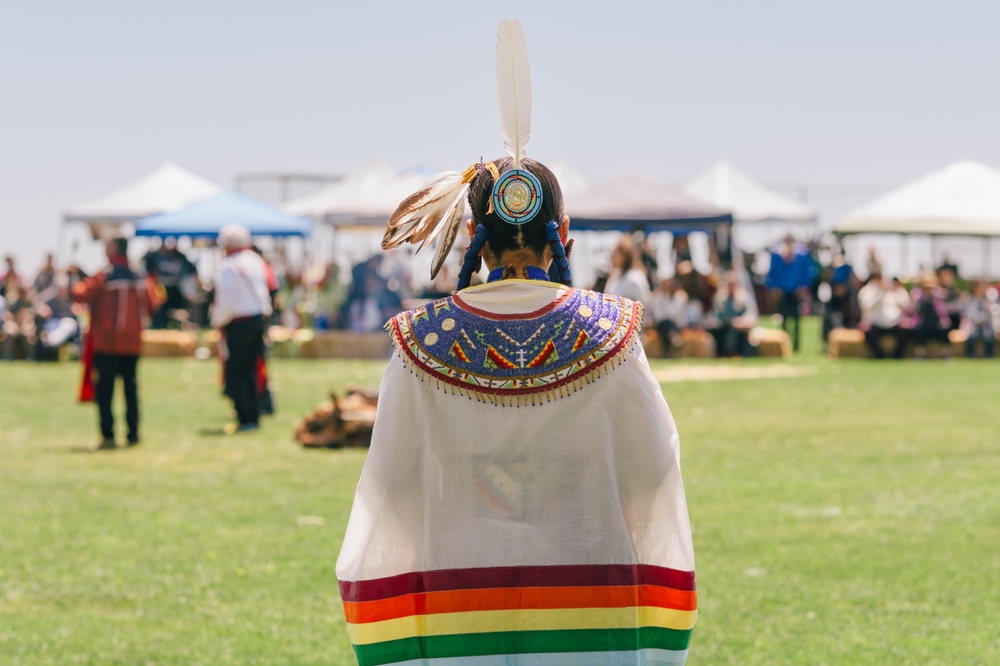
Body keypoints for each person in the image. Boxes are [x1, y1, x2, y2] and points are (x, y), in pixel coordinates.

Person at [337, 21, 696, 666]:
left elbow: (390, 487)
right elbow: (651, 475)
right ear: (564, 234)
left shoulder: (420, 340)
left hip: (458, 619)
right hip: (588, 619)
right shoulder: (611, 333)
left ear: (474, 234)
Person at [71, 238, 159, 450]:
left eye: (108, 244)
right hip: (132, 344)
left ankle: (108, 436)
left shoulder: (106, 275)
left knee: (106, 391)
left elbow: (81, 294)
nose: (104, 247)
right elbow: (154, 303)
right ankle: (133, 434)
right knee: (131, 389)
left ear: (115, 248)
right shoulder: (139, 275)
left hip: (108, 343)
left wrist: (74, 277)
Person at [212, 224, 273, 433]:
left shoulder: (228, 266)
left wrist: (218, 320)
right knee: (253, 370)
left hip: (239, 323)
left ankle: (244, 416)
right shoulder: (256, 261)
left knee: (237, 371)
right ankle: (254, 414)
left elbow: (225, 301)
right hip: (258, 320)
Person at [766, 236, 815, 351]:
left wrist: (804, 286)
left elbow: (808, 271)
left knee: (797, 319)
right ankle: (784, 343)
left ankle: (796, 345)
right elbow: (773, 273)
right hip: (782, 292)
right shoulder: (777, 254)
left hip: (796, 291)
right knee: (783, 318)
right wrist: (774, 287)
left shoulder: (802, 255)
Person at [857, 273, 910, 359]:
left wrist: (898, 291)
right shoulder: (867, 290)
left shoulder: (896, 289)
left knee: (905, 330)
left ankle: (897, 356)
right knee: (868, 333)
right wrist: (880, 293)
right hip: (876, 324)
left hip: (895, 324)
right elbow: (866, 307)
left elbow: (907, 306)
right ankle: (879, 356)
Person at [706, 272, 756, 357]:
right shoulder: (720, 297)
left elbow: (751, 313)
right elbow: (716, 314)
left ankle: (736, 353)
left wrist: (743, 321)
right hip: (722, 326)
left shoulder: (743, 296)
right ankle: (721, 353)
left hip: (740, 327)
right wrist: (731, 321)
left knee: (737, 332)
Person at [604, 234, 652, 305]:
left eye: (615, 252)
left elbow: (633, 309)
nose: (611, 256)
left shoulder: (634, 278)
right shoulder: (615, 276)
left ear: (624, 256)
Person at [960, 280, 995, 358]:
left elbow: (996, 311)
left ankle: (989, 356)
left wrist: (990, 309)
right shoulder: (970, 299)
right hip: (974, 323)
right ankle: (970, 356)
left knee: (989, 338)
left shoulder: (990, 298)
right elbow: (968, 313)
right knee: (971, 339)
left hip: (986, 323)